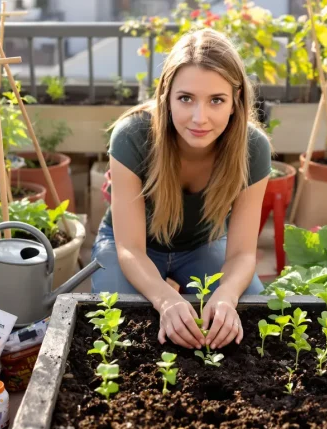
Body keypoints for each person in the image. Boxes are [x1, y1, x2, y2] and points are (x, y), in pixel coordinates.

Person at [91, 28, 272, 352]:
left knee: (252, 318)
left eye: (216, 100)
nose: (199, 118)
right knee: (120, 333)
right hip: (134, 249)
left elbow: (243, 253)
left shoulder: (253, 148)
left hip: (203, 246)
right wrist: (166, 300)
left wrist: (226, 298)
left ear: (235, 103)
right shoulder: (133, 137)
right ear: (167, 96)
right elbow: (130, 248)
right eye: (186, 98)